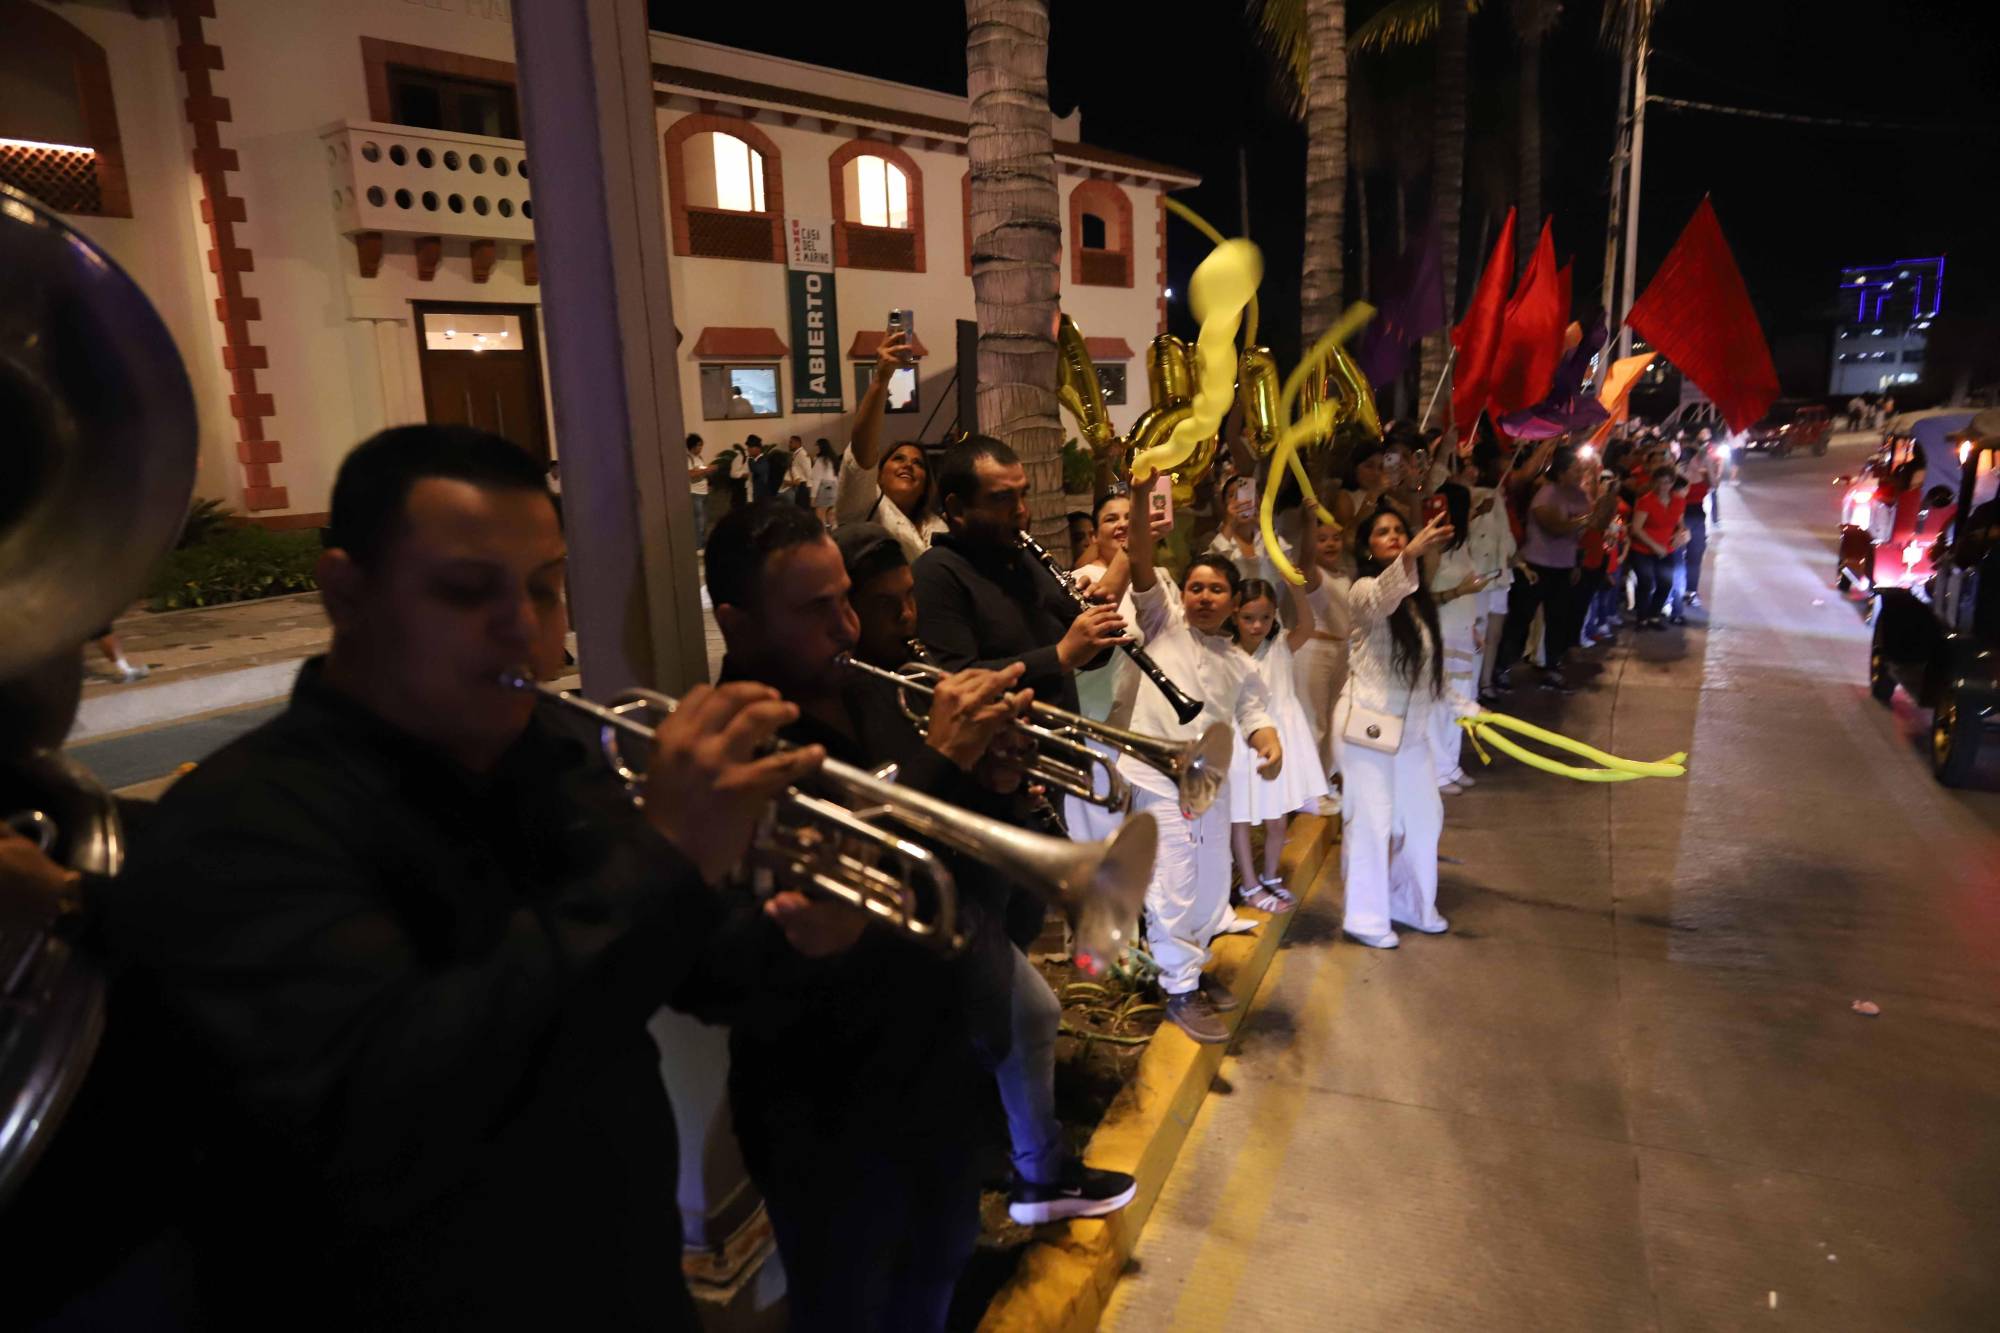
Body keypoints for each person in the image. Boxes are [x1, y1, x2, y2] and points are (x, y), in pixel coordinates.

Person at [94, 425, 838, 1330]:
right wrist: (666, 855)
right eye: (463, 590)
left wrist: (796, 933)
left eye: (545, 587)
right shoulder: (235, 827)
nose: (524, 626)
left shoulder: (548, 752)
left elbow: (690, 967)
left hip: (624, 1282)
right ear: (346, 594)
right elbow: (400, 1101)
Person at [709, 502, 1123, 1325]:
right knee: (854, 1304)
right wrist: (942, 762)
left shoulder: (862, 688)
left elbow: (938, 863)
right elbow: (834, 890)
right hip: (825, 1103)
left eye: (844, 598)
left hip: (930, 1061)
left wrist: (992, 783)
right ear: (737, 622)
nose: (848, 623)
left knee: (937, 1267)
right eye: (815, 608)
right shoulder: (732, 745)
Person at [829, 521, 1138, 1231]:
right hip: (913, 914)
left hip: (964, 898)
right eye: (886, 605)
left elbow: (953, 792)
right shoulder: (860, 691)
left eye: (909, 599)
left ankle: (1035, 1170)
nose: (907, 618)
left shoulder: (910, 676)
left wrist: (1003, 772)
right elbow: (894, 806)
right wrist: (952, 751)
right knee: (1010, 1025)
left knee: (1030, 1014)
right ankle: (1021, 1170)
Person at [1117, 473, 1280, 1044]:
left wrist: (1269, 744)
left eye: (1216, 591)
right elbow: (1139, 556)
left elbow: (1256, 715)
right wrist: (1139, 499)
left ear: (1236, 604)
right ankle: (1179, 987)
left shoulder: (1242, 663)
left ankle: (1193, 962)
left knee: (1212, 885)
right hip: (1159, 782)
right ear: (1180, 594)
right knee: (1173, 883)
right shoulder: (1160, 622)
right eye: (1195, 588)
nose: (1204, 598)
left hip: (1212, 783)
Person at [911, 435, 1126, 717]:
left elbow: (1087, 657)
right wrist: (1059, 656)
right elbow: (954, 680)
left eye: (1023, 494)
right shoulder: (936, 572)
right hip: (998, 754)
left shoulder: (1027, 560)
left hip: (1064, 745)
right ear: (957, 509)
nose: (1022, 510)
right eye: (1002, 498)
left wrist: (1094, 622)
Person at [1336, 504, 1463, 950]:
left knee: (1425, 819)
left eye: (1398, 531)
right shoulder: (1364, 591)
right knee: (1373, 822)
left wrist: (1467, 707)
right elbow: (1383, 596)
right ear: (1368, 546)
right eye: (1382, 533)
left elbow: (1431, 672)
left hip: (1410, 734)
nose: (1391, 536)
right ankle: (1366, 917)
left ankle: (1412, 904)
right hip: (1368, 727)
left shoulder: (1420, 602)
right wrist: (1408, 555)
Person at [1227, 573, 1329, 912]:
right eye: (1248, 618)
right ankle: (1249, 885)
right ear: (1234, 613)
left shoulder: (1282, 644)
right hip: (1243, 742)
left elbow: (1309, 623)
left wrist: (1296, 587)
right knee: (1240, 817)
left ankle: (1270, 876)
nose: (1257, 625)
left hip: (1281, 741)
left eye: (1265, 617)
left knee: (1277, 819)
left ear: (1274, 616)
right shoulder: (1226, 653)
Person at [1494, 444, 1609, 694]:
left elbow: (1595, 526)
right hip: (1535, 566)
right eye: (1575, 470)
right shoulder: (1546, 494)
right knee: (1520, 620)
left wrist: (1607, 495)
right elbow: (1555, 527)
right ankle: (1502, 668)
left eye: (1582, 470)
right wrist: (1585, 519)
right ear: (1561, 471)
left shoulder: (1578, 495)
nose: (1581, 474)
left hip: (1563, 567)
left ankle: (1552, 667)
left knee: (1558, 620)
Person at [835, 331, 944, 562]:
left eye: (918, 463)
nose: (908, 465)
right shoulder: (864, 505)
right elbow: (861, 453)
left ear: (926, 483)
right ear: (878, 475)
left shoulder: (938, 525)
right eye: (898, 458)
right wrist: (881, 379)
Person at [1424, 481, 1492, 794]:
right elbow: (1422, 598)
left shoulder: (1461, 544)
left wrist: (1474, 628)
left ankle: (1451, 764)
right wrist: (1460, 591)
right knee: (1441, 703)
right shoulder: (1434, 547)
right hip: (1439, 632)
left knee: (1461, 701)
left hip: (1462, 632)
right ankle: (1437, 770)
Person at [1629, 464, 1688, 629]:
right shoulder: (1646, 501)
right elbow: (1636, 528)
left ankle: (1654, 615)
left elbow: (1680, 523)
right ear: (1654, 482)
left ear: (1672, 483)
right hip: (1643, 549)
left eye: (1667, 483)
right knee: (1646, 581)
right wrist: (1654, 546)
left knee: (1665, 583)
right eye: (1660, 482)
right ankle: (1642, 618)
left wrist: (1681, 533)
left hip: (1666, 549)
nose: (1663, 487)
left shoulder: (1678, 501)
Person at [687, 432, 717, 537]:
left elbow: (702, 471)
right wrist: (707, 469)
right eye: (699, 445)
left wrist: (708, 475)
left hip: (704, 492)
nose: (701, 448)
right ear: (693, 446)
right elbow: (690, 474)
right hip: (695, 493)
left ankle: (703, 543)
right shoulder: (688, 458)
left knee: (704, 521)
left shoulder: (699, 458)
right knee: (698, 521)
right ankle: (698, 546)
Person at [808, 436, 841, 528]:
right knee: (832, 517)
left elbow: (816, 479)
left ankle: (824, 538)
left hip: (824, 488)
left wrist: (813, 497)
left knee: (820, 517)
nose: (815, 448)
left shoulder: (820, 461)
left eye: (816, 446)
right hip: (834, 488)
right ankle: (836, 535)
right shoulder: (833, 460)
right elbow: (837, 477)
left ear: (821, 447)